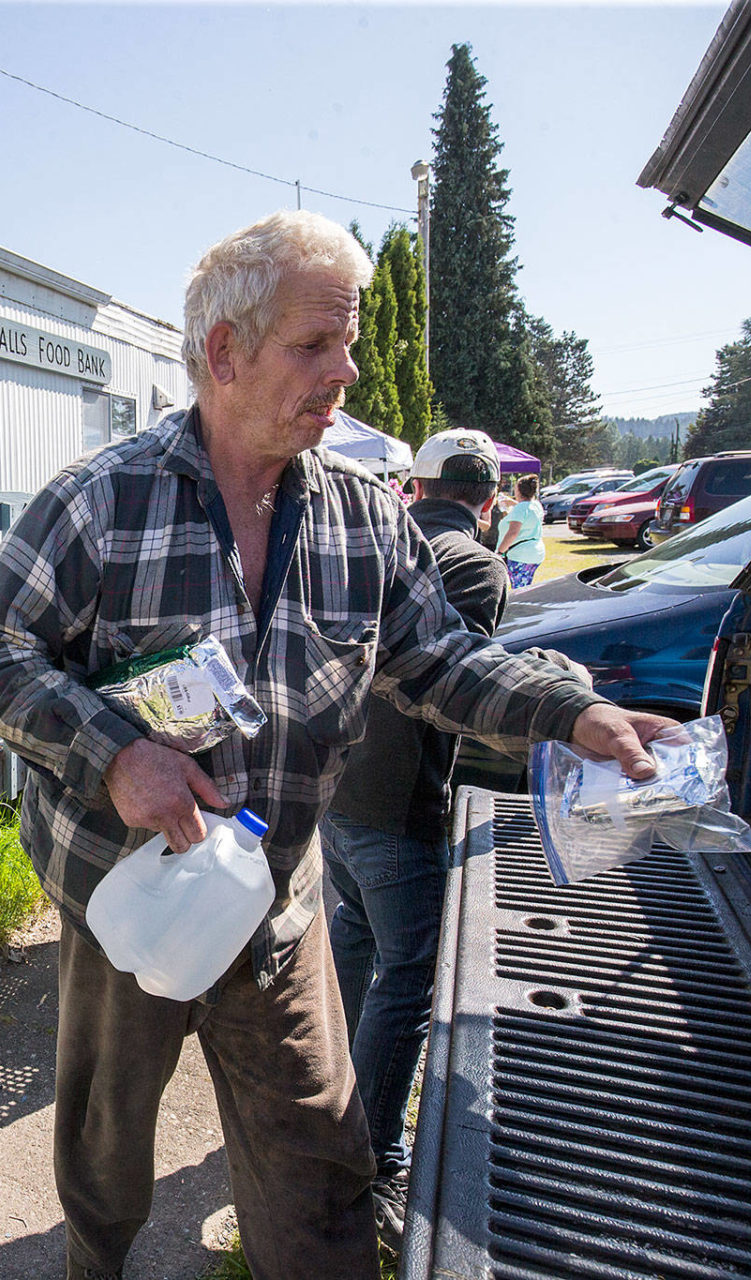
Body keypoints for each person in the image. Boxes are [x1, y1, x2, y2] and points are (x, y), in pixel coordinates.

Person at [0, 211, 675, 1280]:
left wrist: (570, 713)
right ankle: (94, 1259)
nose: (346, 371)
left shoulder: (367, 518)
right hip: (124, 894)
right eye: (312, 345)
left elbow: (436, 658)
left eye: (349, 344)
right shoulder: (101, 498)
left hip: (278, 900)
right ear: (225, 352)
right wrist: (113, 752)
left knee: (322, 1168)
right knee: (107, 1146)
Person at [320, 427, 510, 1255]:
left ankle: (322, 1104)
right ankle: (372, 1158)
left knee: (354, 941)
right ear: (489, 499)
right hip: (398, 804)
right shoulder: (476, 565)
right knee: (409, 976)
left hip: (334, 789)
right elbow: (450, 681)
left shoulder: (374, 539)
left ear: (418, 486)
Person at [497, 473, 546, 589]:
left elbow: (513, 532)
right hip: (535, 552)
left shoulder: (520, 509)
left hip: (521, 554)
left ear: (518, 490)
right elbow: (526, 508)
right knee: (525, 586)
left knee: (518, 589)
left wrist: (500, 552)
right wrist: (513, 503)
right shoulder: (536, 505)